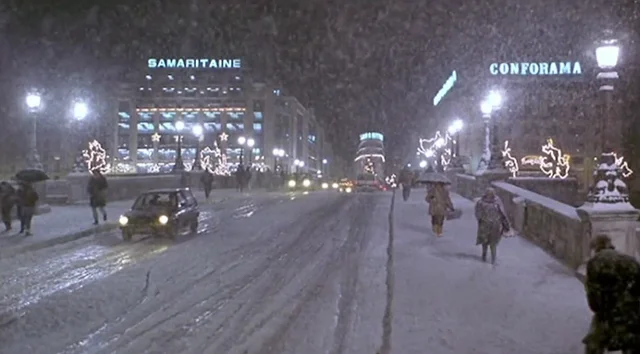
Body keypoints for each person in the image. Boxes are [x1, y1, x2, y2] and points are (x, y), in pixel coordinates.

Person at [583, 234, 640, 354]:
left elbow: (593, 298)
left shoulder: (594, 262)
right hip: (631, 312)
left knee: (595, 342)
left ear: (595, 248)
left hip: (607, 312)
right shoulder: (629, 260)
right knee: (632, 343)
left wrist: (599, 309)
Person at [474, 187, 509, 264]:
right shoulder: (481, 202)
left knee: (493, 243)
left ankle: (493, 258)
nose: (490, 195)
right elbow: (478, 213)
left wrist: (505, 223)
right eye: (488, 193)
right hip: (485, 224)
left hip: (495, 225)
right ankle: (484, 256)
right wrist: (481, 219)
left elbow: (502, 212)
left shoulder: (497, 201)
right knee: (484, 241)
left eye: (491, 193)